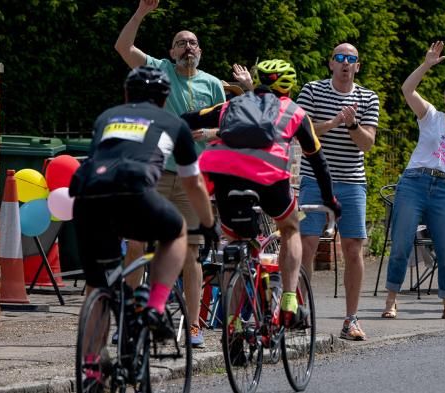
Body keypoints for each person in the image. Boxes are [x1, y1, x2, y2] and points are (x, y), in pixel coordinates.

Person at [180, 59, 342, 328]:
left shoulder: (232, 105)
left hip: (222, 174)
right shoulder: (296, 113)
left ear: (258, 81)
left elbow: (189, 119)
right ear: (288, 86)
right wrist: (330, 200)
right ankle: (290, 298)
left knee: (235, 244)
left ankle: (233, 325)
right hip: (269, 177)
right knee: (290, 228)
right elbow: (319, 162)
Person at [70, 65, 218, 339]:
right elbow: (194, 183)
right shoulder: (174, 123)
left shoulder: (107, 117)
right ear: (164, 99)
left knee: (98, 286)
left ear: (126, 95)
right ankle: (156, 305)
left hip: (87, 196)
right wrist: (208, 225)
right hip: (134, 190)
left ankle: (92, 368)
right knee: (177, 232)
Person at [114, 0, 225, 348]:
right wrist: (141, 13)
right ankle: (130, 320)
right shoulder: (159, 70)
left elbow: (229, 127)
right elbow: (122, 48)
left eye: (192, 42)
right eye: (181, 42)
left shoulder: (213, 85)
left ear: (200, 51)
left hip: (193, 180)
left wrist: (210, 135)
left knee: (190, 254)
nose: (187, 47)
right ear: (171, 51)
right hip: (157, 174)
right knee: (136, 244)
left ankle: (193, 326)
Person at [383, 41, 445, 323]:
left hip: (444, 191)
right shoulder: (431, 117)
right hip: (414, 182)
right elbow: (407, 90)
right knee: (401, 243)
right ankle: (391, 301)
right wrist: (426, 64)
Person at [296, 43, 380, 341]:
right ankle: (300, 310)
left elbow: (367, 144)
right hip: (314, 179)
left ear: (358, 66)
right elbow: (300, 129)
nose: (346, 63)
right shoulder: (312, 91)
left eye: (352, 59)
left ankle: (351, 319)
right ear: (331, 63)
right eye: (340, 58)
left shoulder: (368, 97)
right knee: (305, 243)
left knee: (353, 248)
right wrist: (333, 123)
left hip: (352, 182)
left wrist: (353, 124)